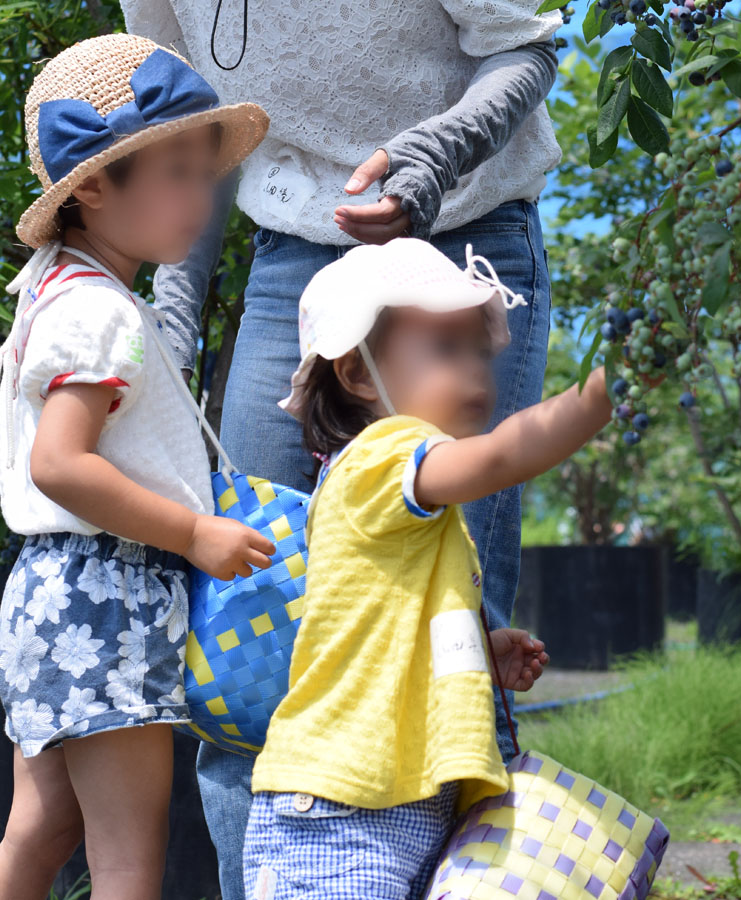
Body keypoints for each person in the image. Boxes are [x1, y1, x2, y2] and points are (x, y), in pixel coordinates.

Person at [116, 4, 562, 894]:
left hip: (458, 242)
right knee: (246, 645)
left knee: (454, 640)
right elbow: (192, 131)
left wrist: (435, 155)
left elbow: (525, 47)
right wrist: (172, 326)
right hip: (298, 261)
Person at [242, 237, 619, 900]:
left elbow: (393, 624)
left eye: (479, 352)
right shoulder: (381, 456)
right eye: (446, 349)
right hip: (339, 810)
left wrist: (477, 655)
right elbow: (501, 457)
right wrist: (601, 393)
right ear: (358, 374)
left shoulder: (403, 498)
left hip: (395, 799)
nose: (477, 373)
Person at [0, 35, 272, 900]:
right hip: (108, 594)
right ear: (90, 187)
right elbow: (60, 464)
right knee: (126, 857)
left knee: (43, 825)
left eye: (206, 174)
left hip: (50, 590)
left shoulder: (56, 290)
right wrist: (192, 531)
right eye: (178, 173)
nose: (201, 197)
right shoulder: (103, 312)